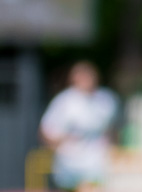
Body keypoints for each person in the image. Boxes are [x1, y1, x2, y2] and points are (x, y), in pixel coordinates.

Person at [38, 61, 119, 191]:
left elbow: (112, 129)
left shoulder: (106, 100)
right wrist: (60, 144)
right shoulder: (64, 101)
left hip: (96, 164)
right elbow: (46, 130)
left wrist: (113, 148)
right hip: (69, 165)